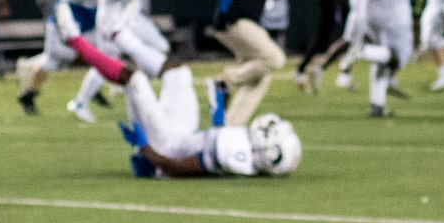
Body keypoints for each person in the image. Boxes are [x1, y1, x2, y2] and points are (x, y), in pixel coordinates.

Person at [113, 67, 304, 179]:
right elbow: (216, 139)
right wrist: (218, 114)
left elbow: (178, 167)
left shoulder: (229, 153)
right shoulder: (246, 155)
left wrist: (145, 147)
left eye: (269, 133)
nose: (266, 128)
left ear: (267, 149)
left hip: (163, 148)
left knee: (136, 79)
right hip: (179, 138)